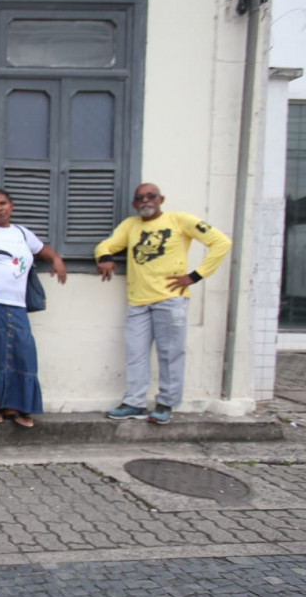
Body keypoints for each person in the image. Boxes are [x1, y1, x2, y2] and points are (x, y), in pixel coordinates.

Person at [95, 182, 232, 425]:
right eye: (140, 198)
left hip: (170, 299)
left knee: (170, 354)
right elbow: (106, 244)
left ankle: (166, 403)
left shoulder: (180, 220)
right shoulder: (130, 225)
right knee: (135, 354)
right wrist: (105, 257)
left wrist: (195, 275)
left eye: (151, 196)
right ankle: (134, 402)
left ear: (161, 199)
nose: (145, 201)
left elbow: (221, 242)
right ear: (134, 203)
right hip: (138, 302)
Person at [0, 188, 66, 428]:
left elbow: (42, 250)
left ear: (11, 206)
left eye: (3, 203)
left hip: (16, 305)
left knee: (21, 353)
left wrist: (56, 259)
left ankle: (16, 407)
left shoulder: (22, 234)